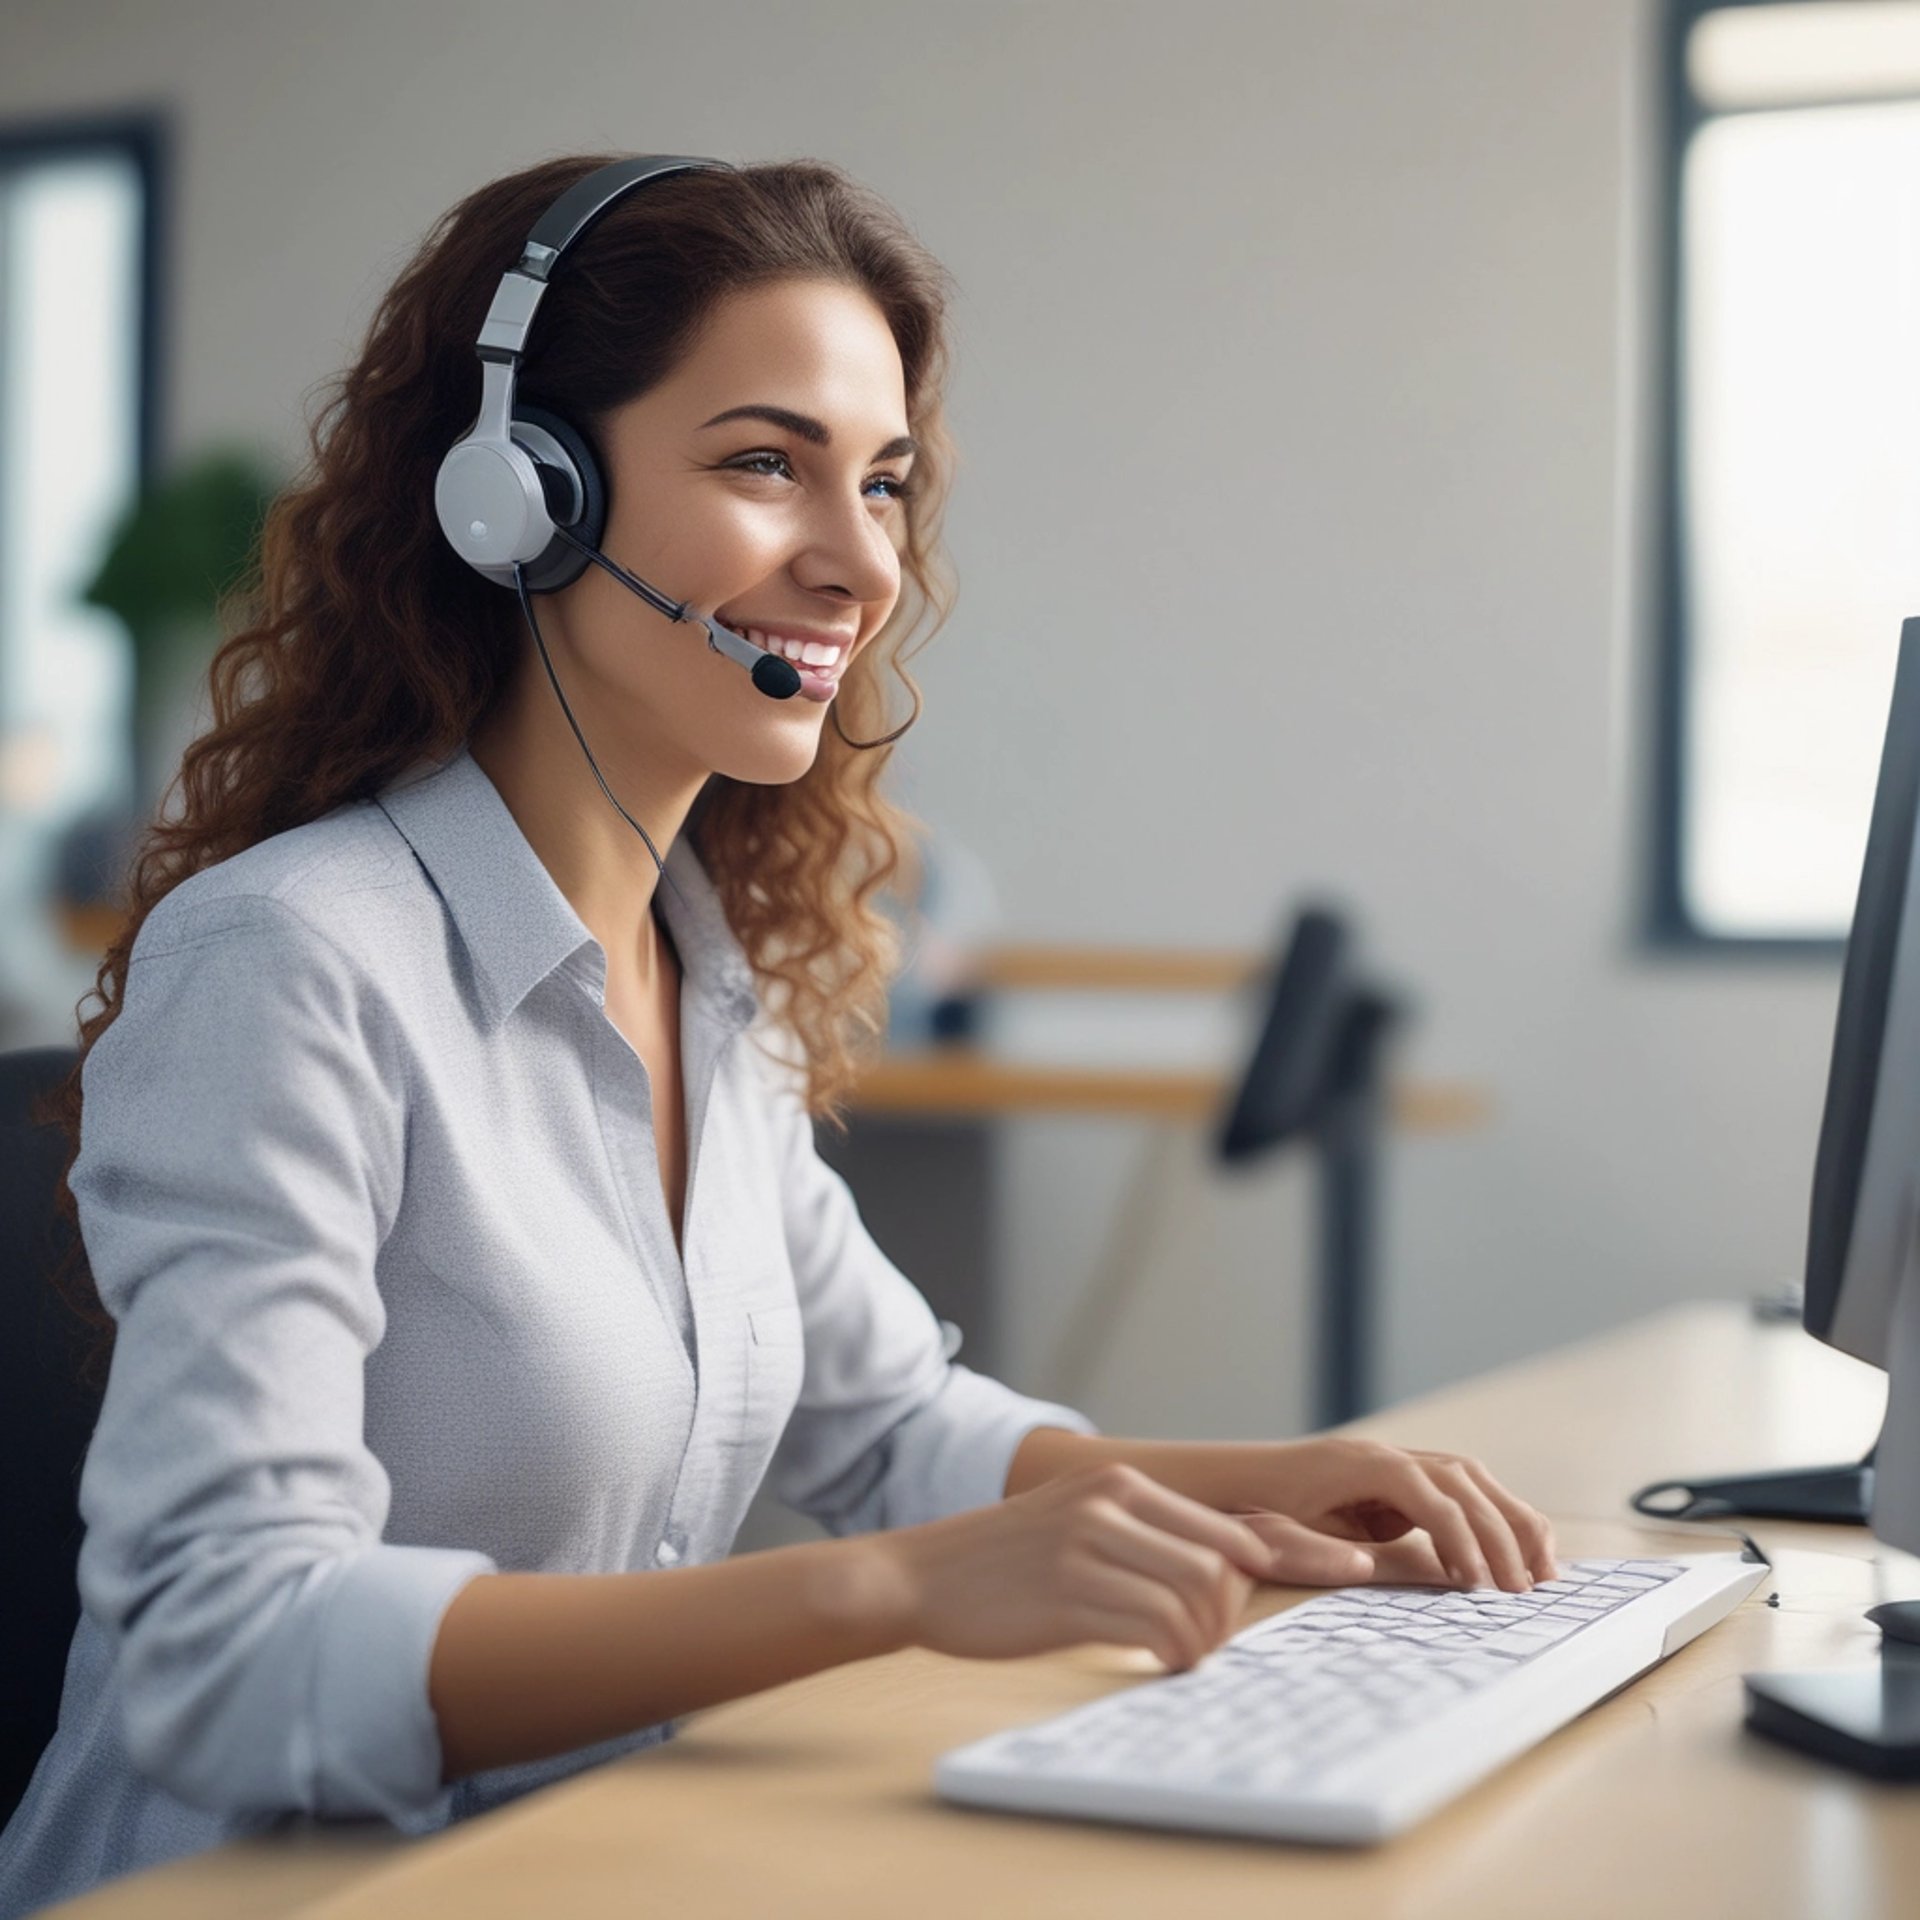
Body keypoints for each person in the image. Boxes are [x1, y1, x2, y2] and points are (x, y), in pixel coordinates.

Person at [0, 153, 1556, 1914]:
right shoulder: (292, 963)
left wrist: (1286, 1489)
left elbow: (895, 1430)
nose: (859, 564)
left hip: (572, 1870)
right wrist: (880, 1596)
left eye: (882, 484)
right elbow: (229, 1643)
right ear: (525, 497)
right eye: (765, 465)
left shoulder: (696, 969)